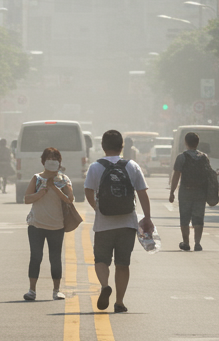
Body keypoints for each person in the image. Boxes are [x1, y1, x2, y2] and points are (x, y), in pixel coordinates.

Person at [84, 129, 152, 314]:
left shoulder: (95, 167)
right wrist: (147, 218)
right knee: (123, 264)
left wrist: (97, 208)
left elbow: (88, 191)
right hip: (127, 223)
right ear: (122, 147)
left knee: (101, 260)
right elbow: (142, 193)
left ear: (103, 146)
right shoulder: (132, 166)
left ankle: (105, 285)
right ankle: (119, 302)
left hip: (103, 224)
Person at [23, 147, 73, 301]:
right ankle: (32, 290)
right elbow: (27, 199)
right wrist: (40, 193)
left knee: (55, 258)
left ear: (59, 162)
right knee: (36, 257)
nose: (52, 161)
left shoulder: (64, 179)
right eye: (49, 159)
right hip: (36, 225)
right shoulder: (37, 178)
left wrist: (54, 187)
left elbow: (69, 199)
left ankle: (56, 290)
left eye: (55, 159)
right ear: (43, 161)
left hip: (56, 225)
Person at [168, 132, 211, 251]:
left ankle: (186, 242)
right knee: (198, 218)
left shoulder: (181, 157)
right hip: (200, 192)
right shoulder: (204, 157)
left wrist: (172, 192)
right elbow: (208, 175)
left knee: (185, 217)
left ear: (185, 142)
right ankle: (197, 243)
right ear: (197, 143)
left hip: (185, 191)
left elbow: (176, 175)